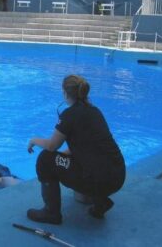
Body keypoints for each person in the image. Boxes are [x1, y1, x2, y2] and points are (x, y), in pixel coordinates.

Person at [27, 75, 126, 225]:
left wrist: (33, 140)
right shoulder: (95, 111)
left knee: (45, 159)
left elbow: (52, 146)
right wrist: (60, 157)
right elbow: (86, 147)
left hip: (97, 181)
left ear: (65, 93)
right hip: (117, 176)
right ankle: (100, 203)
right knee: (69, 161)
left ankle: (51, 213)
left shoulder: (69, 115)